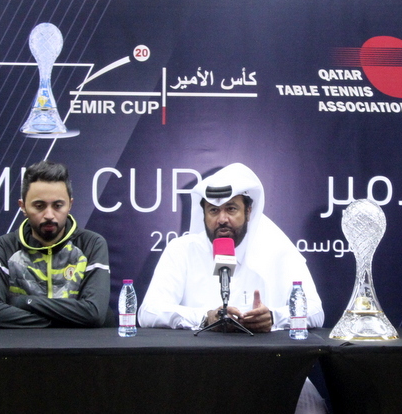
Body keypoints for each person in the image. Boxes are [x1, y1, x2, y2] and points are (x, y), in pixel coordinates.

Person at [137, 163, 326, 413]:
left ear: (248, 211)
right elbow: (147, 312)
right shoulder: (181, 251)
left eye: (231, 209)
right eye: (213, 210)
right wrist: (205, 318)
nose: (222, 219)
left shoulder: (279, 251)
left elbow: (315, 311)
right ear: (203, 213)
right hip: (198, 370)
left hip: (271, 371)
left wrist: (273, 318)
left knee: (309, 406)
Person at [0, 161, 110, 328]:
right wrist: (61, 320)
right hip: (20, 349)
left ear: (70, 205)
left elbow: (94, 313)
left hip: (78, 349)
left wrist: (24, 302)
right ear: (23, 206)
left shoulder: (91, 244)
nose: (49, 215)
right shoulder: (4, 247)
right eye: (39, 206)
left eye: (58, 206)